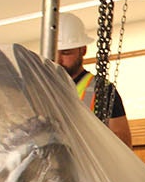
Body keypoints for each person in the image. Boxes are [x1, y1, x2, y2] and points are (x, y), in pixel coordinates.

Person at [57, 13, 133, 146]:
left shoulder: (102, 89)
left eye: (66, 52)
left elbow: (123, 143)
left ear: (83, 50)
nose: (58, 60)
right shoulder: (41, 89)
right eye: (54, 53)